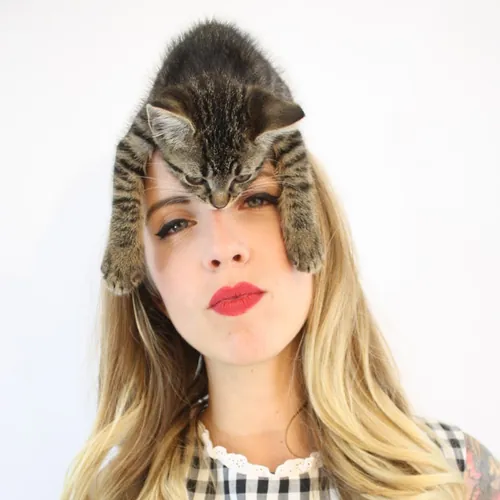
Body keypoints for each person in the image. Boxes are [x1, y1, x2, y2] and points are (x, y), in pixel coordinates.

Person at [60, 145, 499, 499]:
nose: (222, 248)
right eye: (175, 224)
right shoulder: (114, 494)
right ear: (149, 288)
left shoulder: (452, 473)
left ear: (316, 233)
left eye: (256, 199)